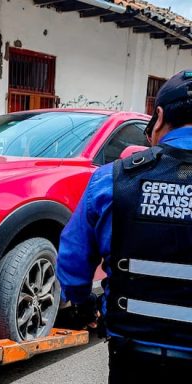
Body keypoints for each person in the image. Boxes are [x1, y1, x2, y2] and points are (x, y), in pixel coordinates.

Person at [57, 69, 192, 383]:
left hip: (133, 355)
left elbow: (73, 259)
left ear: (157, 118)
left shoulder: (111, 179)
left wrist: (84, 305)